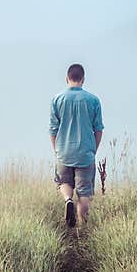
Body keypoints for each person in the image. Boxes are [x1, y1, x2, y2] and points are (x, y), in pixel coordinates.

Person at [49, 63, 104, 227]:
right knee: (84, 193)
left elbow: (53, 129)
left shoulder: (57, 99)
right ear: (83, 80)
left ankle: (67, 200)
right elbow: (98, 129)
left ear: (67, 78)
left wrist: (57, 150)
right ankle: (82, 229)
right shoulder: (93, 100)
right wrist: (93, 149)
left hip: (64, 151)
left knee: (64, 183)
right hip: (86, 153)